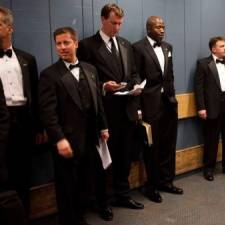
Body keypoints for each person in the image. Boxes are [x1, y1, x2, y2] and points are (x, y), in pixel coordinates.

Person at [77, 3, 143, 220]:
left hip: (127, 110)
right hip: (104, 113)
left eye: (120, 23)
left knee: (124, 157)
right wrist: (104, 86)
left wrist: (134, 86)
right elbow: (83, 81)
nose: (118, 27)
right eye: (114, 23)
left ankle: (123, 194)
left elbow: (133, 72)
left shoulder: (125, 44)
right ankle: (103, 201)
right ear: (103, 20)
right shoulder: (87, 45)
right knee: (103, 161)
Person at [39, 27, 109, 225]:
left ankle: (80, 215)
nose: (62, 47)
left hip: (90, 136)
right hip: (66, 140)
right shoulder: (49, 75)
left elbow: (98, 102)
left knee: (85, 180)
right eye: (58, 44)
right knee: (66, 185)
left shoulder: (91, 69)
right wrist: (59, 139)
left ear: (76, 43)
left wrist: (103, 127)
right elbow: (47, 113)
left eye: (66, 42)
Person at [132, 16, 183, 203]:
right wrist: (138, 109)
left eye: (163, 26)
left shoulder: (168, 47)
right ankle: (151, 186)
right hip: (149, 105)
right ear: (148, 28)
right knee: (151, 147)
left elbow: (170, 75)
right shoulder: (137, 47)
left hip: (169, 103)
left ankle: (166, 182)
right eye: (158, 27)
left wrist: (173, 96)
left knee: (168, 145)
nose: (162, 29)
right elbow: (135, 76)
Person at [0, 6, 44, 213]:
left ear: (10, 28)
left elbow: (35, 95)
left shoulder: (27, 59)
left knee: (23, 173)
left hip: (23, 122)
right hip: (1, 122)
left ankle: (23, 217)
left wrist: (38, 128)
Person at [194, 36, 225, 181]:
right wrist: (201, 108)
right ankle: (209, 168)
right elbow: (199, 88)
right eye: (222, 46)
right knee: (211, 139)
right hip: (211, 107)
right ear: (213, 49)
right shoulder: (203, 64)